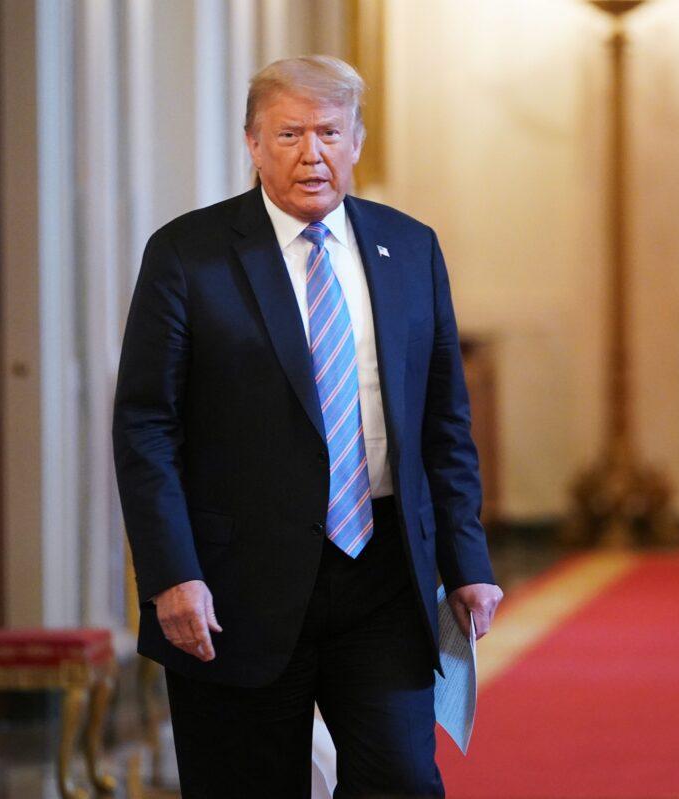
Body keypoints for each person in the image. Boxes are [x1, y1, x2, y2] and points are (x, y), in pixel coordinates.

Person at [112, 55, 502, 798]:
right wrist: (170, 573)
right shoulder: (187, 255)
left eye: (329, 131)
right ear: (253, 145)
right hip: (234, 590)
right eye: (288, 133)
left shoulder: (410, 247)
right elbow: (145, 427)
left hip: (383, 575)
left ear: (356, 141)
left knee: (402, 779)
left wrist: (469, 558)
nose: (311, 153)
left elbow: (445, 422)